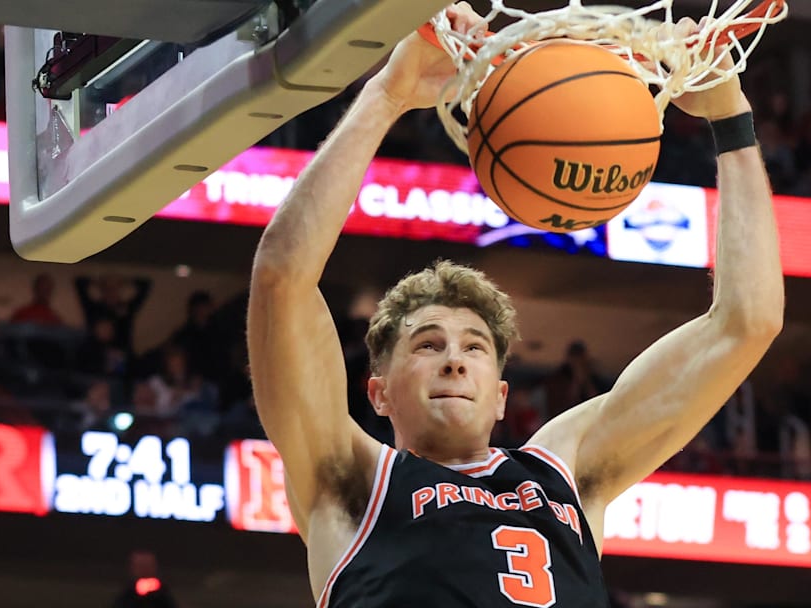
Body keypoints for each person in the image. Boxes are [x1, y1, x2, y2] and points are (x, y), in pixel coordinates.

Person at [246, 4, 783, 607]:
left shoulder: (564, 469)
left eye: (473, 348)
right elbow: (282, 278)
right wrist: (389, 94)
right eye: (428, 345)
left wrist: (731, 120)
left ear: (502, 394)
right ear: (378, 393)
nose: (454, 361)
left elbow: (747, 323)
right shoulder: (347, 477)